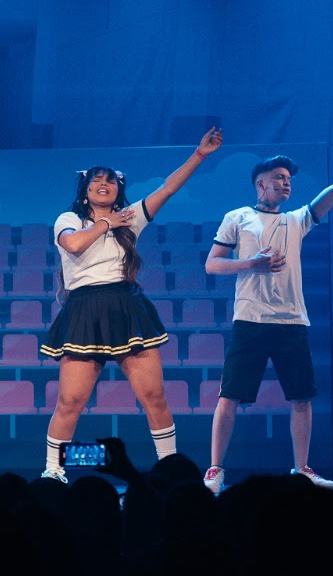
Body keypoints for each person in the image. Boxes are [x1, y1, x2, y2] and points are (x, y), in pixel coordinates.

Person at [201, 121, 333, 495]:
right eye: (279, 178)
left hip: (292, 321)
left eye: (289, 179)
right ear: (261, 184)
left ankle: (302, 469)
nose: (286, 183)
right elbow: (212, 264)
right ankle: (215, 470)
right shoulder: (238, 217)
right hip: (250, 319)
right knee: (229, 395)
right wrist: (253, 264)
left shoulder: (296, 220)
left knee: (301, 396)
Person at [37, 128, 223, 482]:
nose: (104, 184)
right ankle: (54, 469)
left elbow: (168, 188)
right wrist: (106, 223)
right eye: (96, 180)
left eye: (110, 180)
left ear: (119, 189)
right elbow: (74, 246)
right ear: (86, 189)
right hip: (84, 310)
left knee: (154, 396)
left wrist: (199, 155)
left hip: (126, 307)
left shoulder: (131, 218)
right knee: (69, 402)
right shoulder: (70, 219)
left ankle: (169, 468)